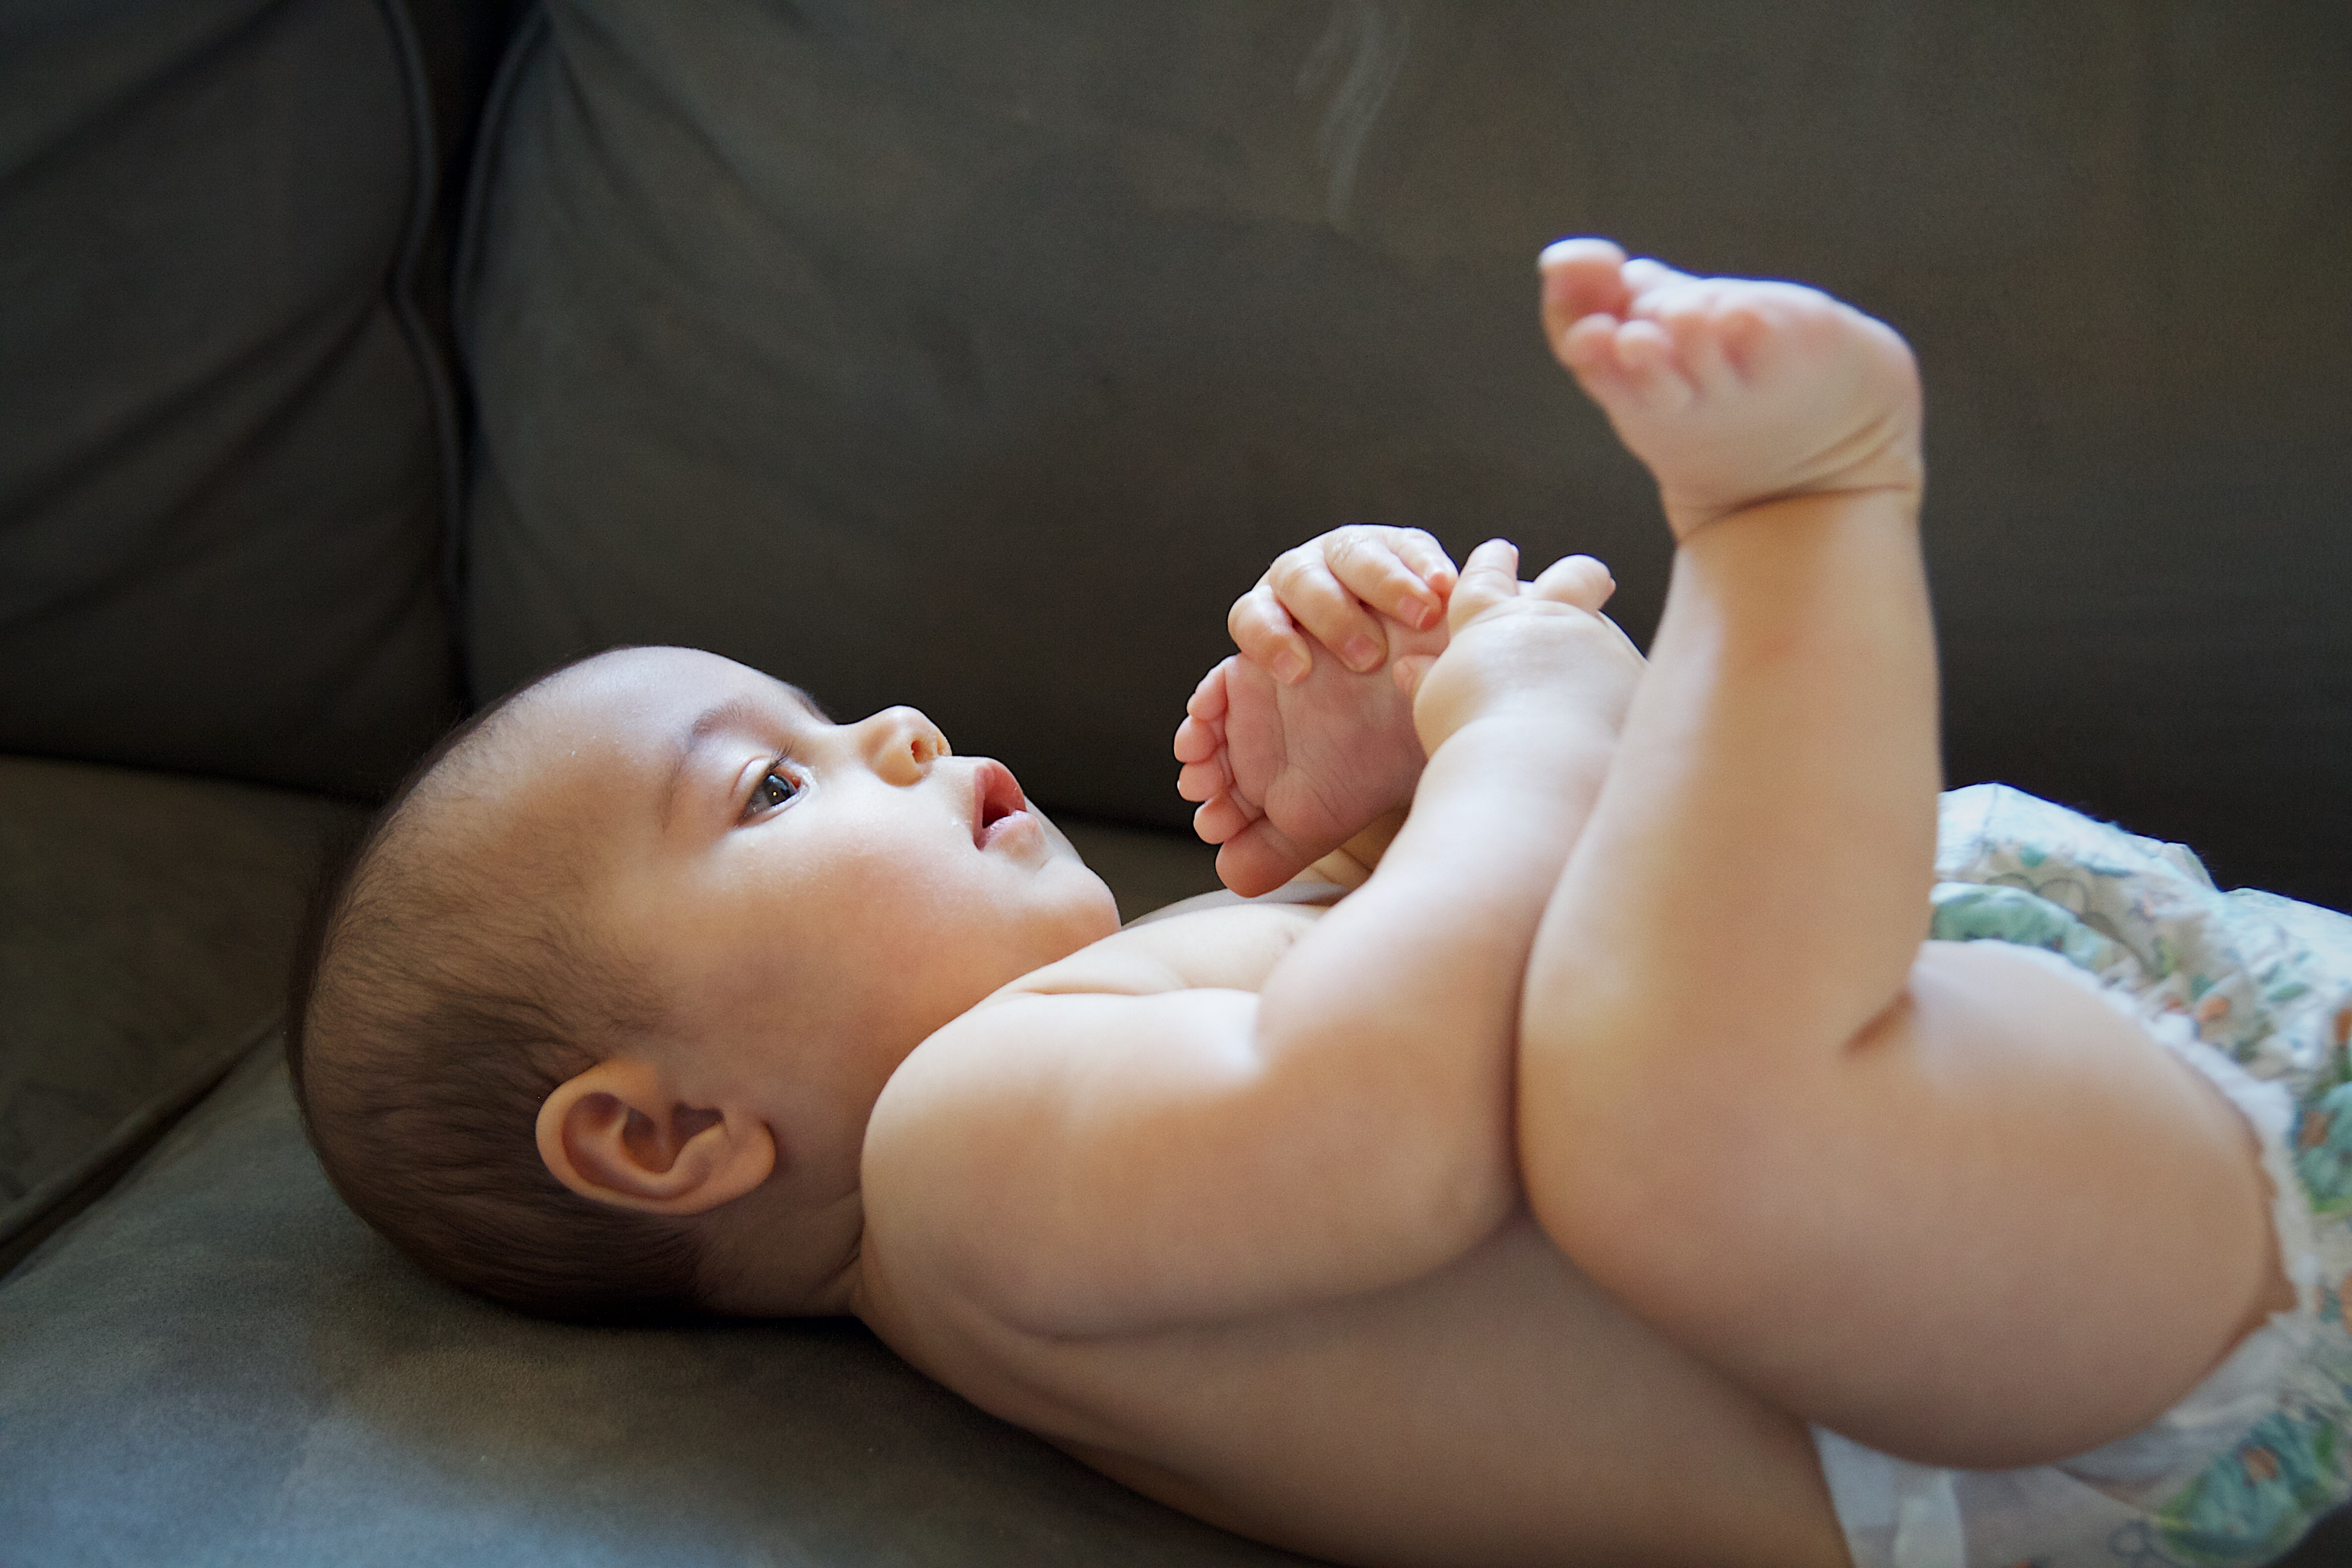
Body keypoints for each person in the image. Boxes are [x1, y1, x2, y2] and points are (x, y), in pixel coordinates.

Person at [289, 240, 2352, 1568]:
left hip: (2008, 1232)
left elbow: (1446, 1022)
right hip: (2013, 1326)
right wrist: (1523, 720)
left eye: (824, 715)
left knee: (1655, 1097)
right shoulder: (953, 1162)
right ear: (665, 1137)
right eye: (769, 784)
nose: (894, 726)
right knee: (1655, 1120)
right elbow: (1404, 1126)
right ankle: (1803, 521)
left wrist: (1386, 817)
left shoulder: (1064, 1145)